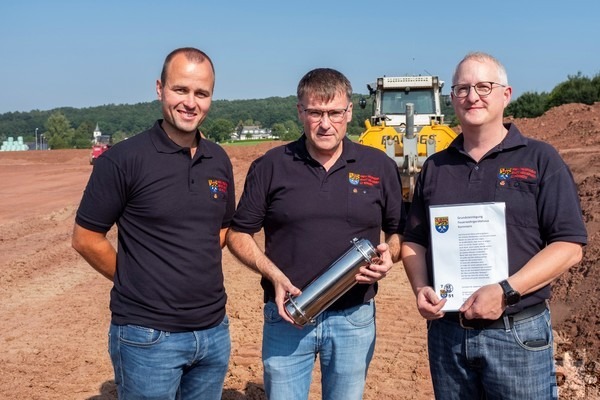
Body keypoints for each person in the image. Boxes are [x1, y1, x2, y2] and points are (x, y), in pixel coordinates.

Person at [401, 52, 588, 400]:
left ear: (506, 94)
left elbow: (569, 247)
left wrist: (505, 291)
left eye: (484, 86)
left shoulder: (540, 159)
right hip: (447, 335)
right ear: (452, 98)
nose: (473, 96)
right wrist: (420, 287)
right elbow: (414, 241)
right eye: (463, 88)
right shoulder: (435, 168)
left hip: (516, 333)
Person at [226, 67, 406, 400]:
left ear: (349, 112)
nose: (325, 123)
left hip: (354, 317)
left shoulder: (377, 165)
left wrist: (389, 257)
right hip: (288, 316)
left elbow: (398, 231)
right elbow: (239, 234)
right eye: (315, 113)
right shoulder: (270, 166)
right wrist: (274, 275)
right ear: (300, 111)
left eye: (335, 113)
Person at [71, 47, 235, 400]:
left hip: (213, 332)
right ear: (160, 88)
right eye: (181, 90)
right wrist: (136, 277)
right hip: (147, 337)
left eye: (201, 93)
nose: (190, 102)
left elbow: (221, 229)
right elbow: (86, 238)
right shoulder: (123, 160)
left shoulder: (218, 160)